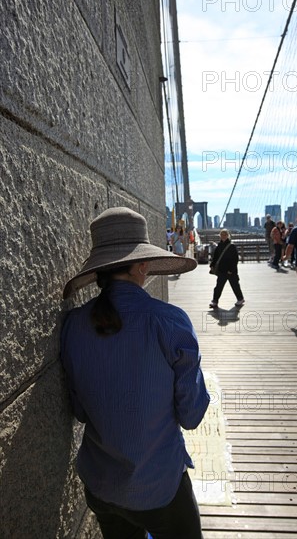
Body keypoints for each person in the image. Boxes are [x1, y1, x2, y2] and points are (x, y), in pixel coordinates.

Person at [61, 207, 210, 539]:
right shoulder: (169, 320)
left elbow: (81, 411)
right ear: (143, 265)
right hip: (159, 488)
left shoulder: (72, 325)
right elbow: (192, 414)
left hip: (99, 486)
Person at [209, 229, 244, 308]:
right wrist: (212, 265)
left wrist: (231, 270)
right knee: (218, 286)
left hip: (231, 270)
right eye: (222, 235)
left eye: (225, 235)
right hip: (222, 270)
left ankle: (240, 298)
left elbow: (235, 259)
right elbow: (215, 257)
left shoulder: (232, 246)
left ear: (228, 235)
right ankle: (215, 301)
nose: (223, 236)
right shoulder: (219, 246)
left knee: (235, 285)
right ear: (220, 236)